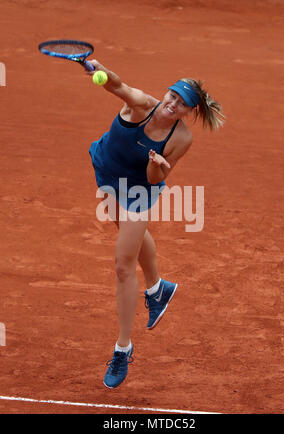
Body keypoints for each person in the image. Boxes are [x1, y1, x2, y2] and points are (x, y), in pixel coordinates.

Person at [87, 60, 225, 389]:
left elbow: (155, 179)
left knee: (123, 265)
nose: (171, 104)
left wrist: (157, 165)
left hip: (138, 190)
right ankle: (158, 289)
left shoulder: (182, 138)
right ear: (166, 92)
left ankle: (123, 348)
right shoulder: (142, 105)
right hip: (107, 171)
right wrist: (97, 70)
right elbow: (117, 85)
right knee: (130, 237)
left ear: (189, 111)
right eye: (171, 95)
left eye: (180, 104)